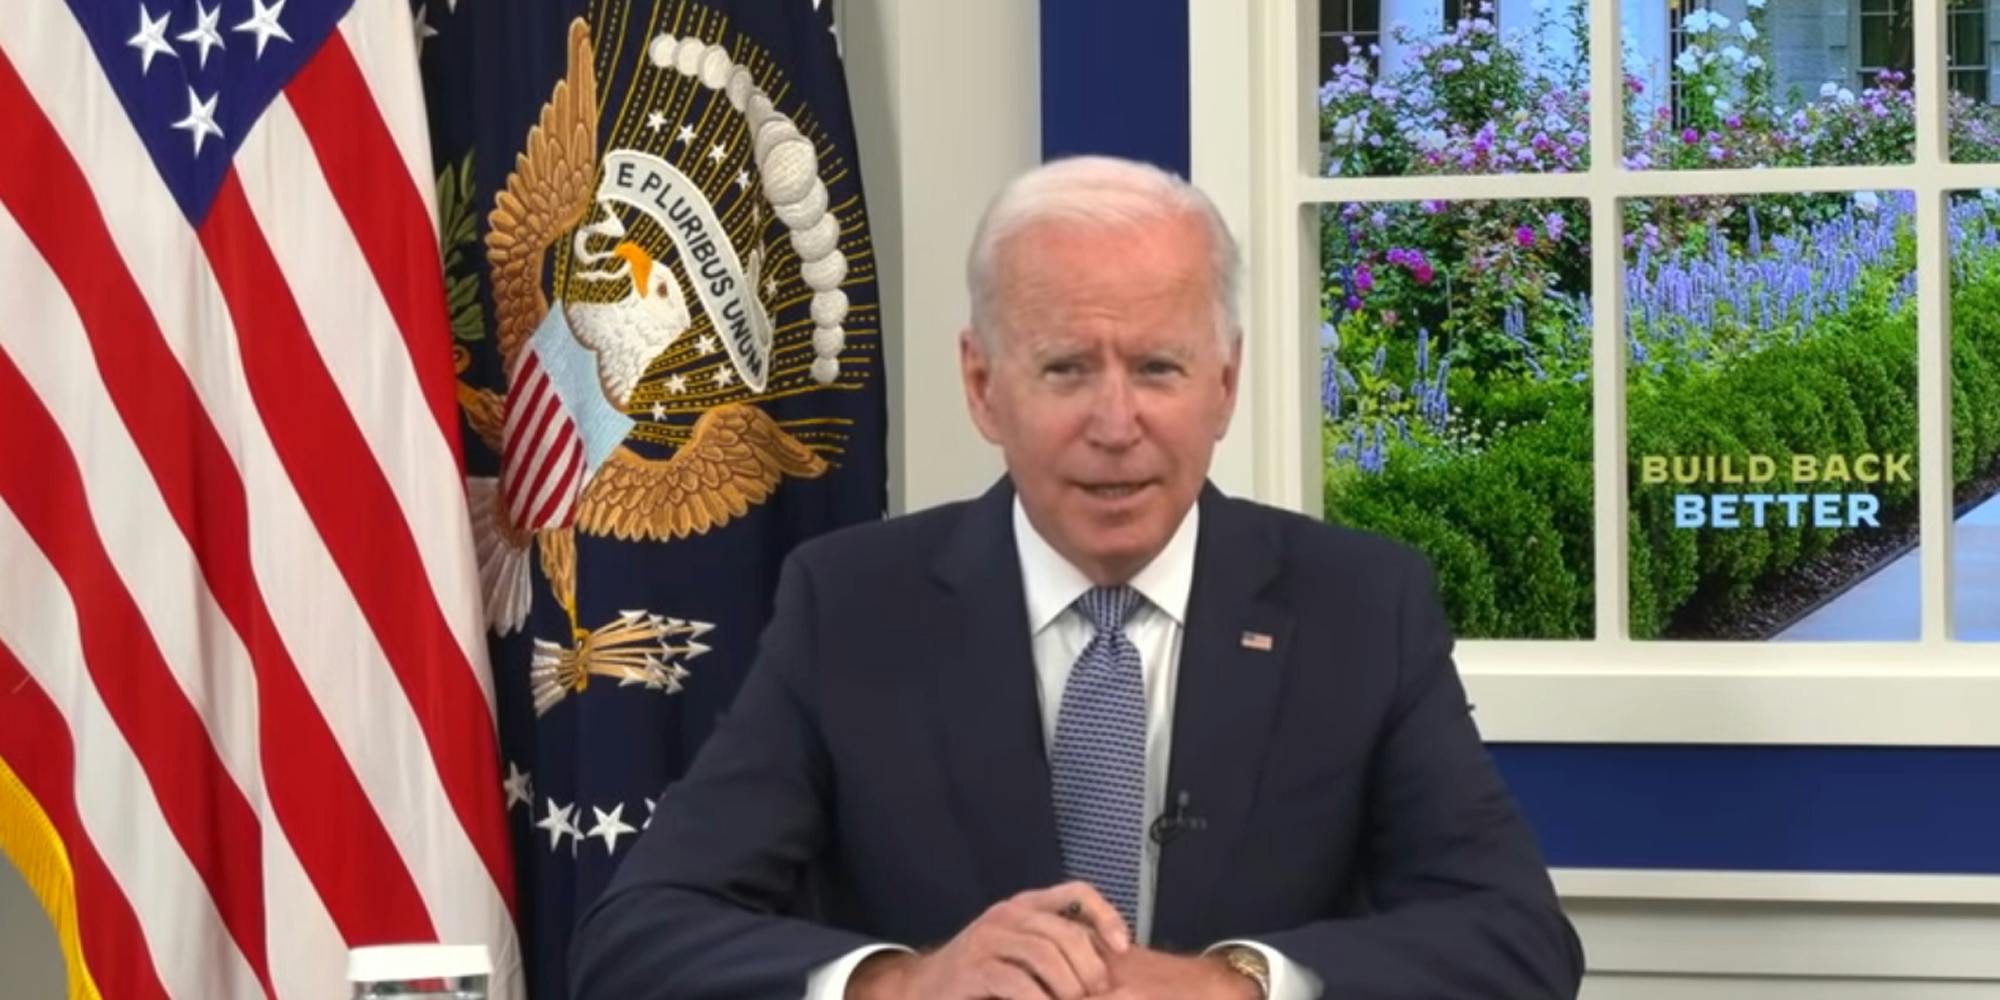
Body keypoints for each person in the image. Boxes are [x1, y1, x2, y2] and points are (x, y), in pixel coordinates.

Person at [570, 155, 1584, 999]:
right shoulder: (848, 603)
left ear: (1221, 384)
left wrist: (1238, 984)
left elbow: (1515, 938)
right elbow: (637, 938)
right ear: (982, 385)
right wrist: (906, 982)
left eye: (1156, 369)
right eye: (1064, 369)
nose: (1113, 425)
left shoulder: (1361, 606)